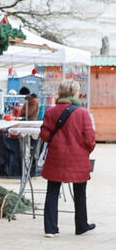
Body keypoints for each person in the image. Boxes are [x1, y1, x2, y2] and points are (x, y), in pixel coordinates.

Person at [40, 79, 95, 237]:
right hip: (78, 157)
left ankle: (50, 229)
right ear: (74, 93)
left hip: (56, 156)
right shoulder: (82, 112)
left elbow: (44, 135)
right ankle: (81, 225)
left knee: (52, 191)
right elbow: (90, 138)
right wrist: (86, 150)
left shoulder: (50, 111)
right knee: (79, 192)